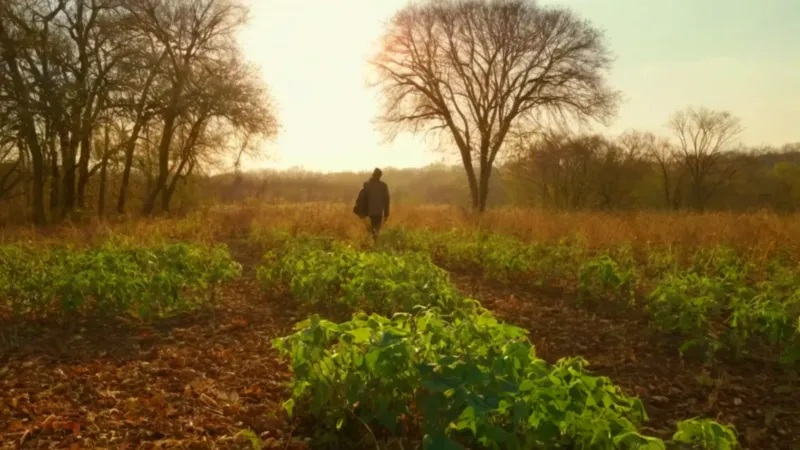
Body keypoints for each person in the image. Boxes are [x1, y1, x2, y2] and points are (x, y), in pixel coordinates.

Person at [360, 168, 390, 239]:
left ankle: (371, 243)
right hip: (378, 212)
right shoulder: (383, 186)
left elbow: (361, 199)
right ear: (380, 176)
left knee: (370, 229)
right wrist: (386, 214)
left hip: (367, 212)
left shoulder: (366, 185)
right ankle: (374, 243)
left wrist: (360, 212)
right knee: (376, 229)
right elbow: (386, 200)